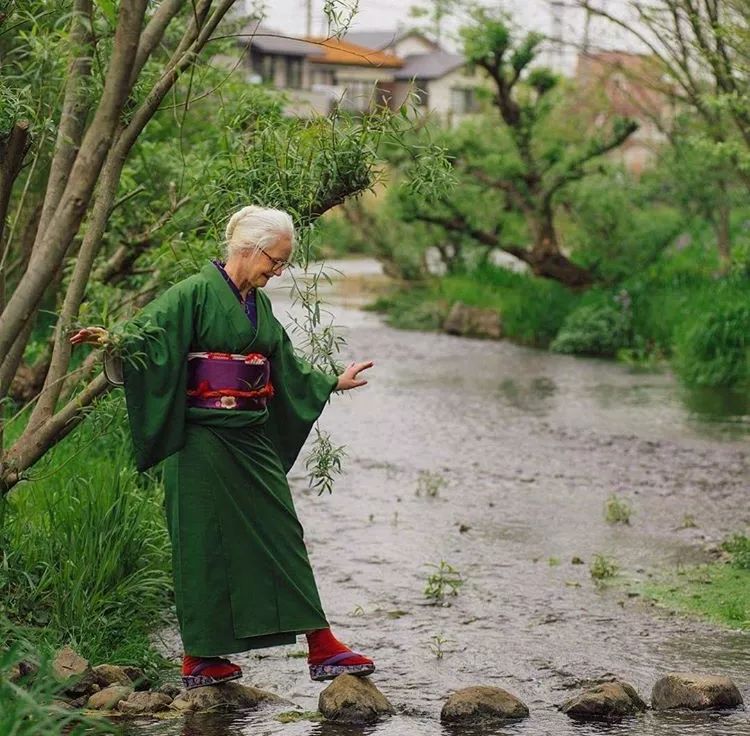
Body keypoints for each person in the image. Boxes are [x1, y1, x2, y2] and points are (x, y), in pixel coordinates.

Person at [70, 205, 375, 689]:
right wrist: (114, 340)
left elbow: (284, 365)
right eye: (274, 260)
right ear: (248, 249)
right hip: (201, 437)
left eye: (282, 263)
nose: (278, 270)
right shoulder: (193, 293)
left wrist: (331, 381)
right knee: (203, 543)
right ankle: (201, 657)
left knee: (282, 533)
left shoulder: (260, 306)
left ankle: (321, 645)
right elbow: (149, 339)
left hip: (250, 435)